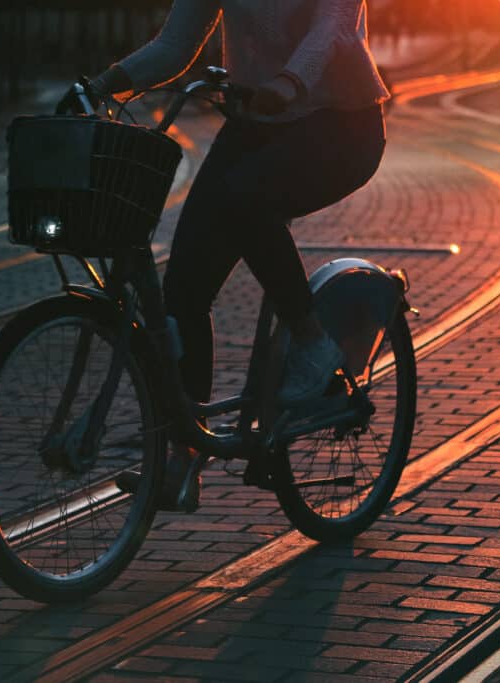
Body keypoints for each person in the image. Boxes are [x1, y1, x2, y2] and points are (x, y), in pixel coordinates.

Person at [90, 1, 390, 512]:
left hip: (340, 126)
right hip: (258, 120)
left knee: (247, 198)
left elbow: (331, 30)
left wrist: (290, 83)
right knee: (182, 290)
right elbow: (174, 47)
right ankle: (184, 459)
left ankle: (313, 342)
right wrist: (104, 83)